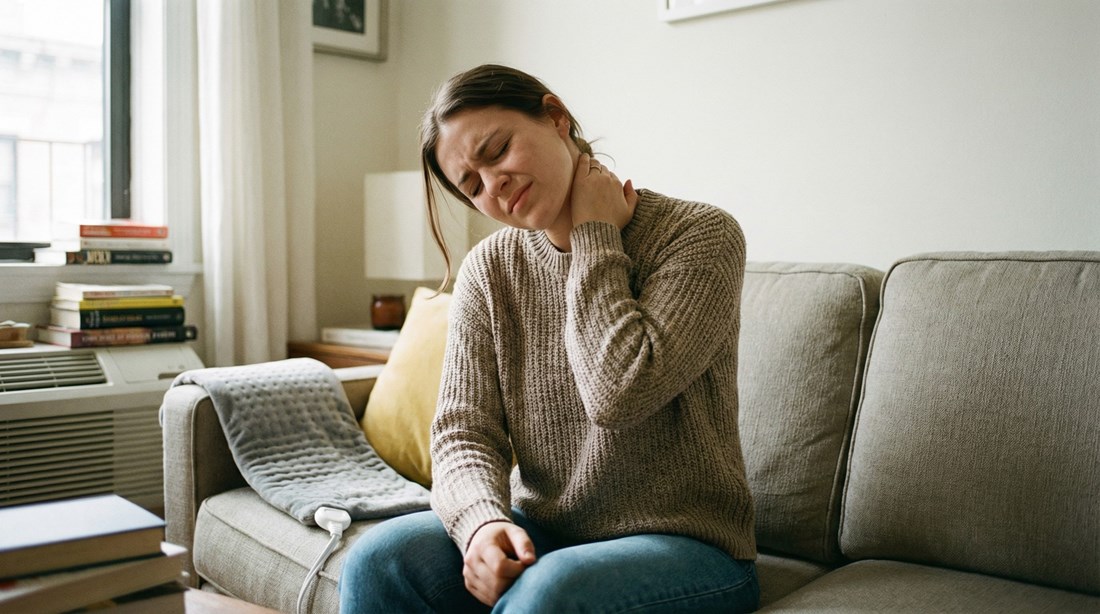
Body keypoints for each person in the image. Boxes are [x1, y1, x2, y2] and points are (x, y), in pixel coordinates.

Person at [339, 64, 758, 613]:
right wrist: (481, 524)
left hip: (689, 545)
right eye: (473, 186)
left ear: (555, 116)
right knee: (379, 559)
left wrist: (593, 235)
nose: (493, 185)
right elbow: (462, 432)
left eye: (497, 151)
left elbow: (619, 393)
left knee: (552, 590)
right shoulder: (489, 269)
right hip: (545, 529)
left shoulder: (699, 235)